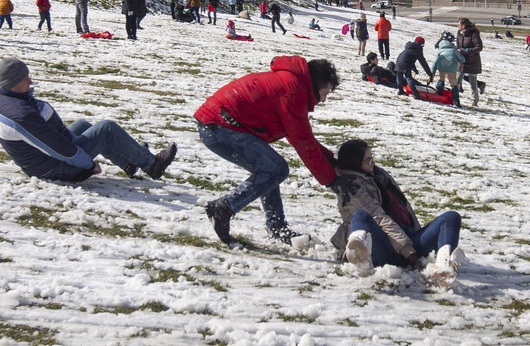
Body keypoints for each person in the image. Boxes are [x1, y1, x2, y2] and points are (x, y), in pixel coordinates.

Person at [195, 56, 339, 245]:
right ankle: (224, 207)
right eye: (325, 92)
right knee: (275, 169)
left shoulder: (292, 84)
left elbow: (299, 134)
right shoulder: (293, 90)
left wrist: (332, 160)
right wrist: (332, 180)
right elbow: (302, 140)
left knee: (270, 167)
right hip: (220, 126)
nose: (324, 99)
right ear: (316, 84)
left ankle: (276, 226)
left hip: (219, 123)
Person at [0, 58, 176, 182]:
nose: (30, 82)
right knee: (106, 129)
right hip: (54, 168)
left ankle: (128, 162)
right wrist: (88, 166)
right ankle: (152, 165)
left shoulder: (8, 99)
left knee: (82, 125)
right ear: (14, 82)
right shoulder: (20, 114)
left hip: (45, 158)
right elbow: (58, 148)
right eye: (26, 79)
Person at [331, 139, 463, 286]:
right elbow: (378, 217)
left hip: (405, 239)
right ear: (355, 163)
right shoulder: (351, 187)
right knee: (360, 215)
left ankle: (443, 267)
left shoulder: (375, 175)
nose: (372, 164)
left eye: (372, 158)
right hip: (381, 245)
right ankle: (360, 255)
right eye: (367, 161)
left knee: (451, 218)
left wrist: (410, 246)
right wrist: (410, 253)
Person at [432, 32, 465, 107]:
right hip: (451, 67)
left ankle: (439, 94)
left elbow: (435, 62)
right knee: (453, 83)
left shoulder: (440, 49)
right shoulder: (453, 49)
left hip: (442, 66)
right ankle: (456, 101)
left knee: (441, 79)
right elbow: (462, 60)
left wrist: (432, 72)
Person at [457, 18, 484, 107]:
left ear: (463, 26)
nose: (457, 26)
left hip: (473, 61)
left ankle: (475, 101)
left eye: (459, 25)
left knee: (473, 82)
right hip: (461, 60)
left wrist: (468, 50)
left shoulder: (474, 34)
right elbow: (458, 45)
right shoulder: (459, 34)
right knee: (457, 80)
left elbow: (479, 47)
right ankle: (455, 98)